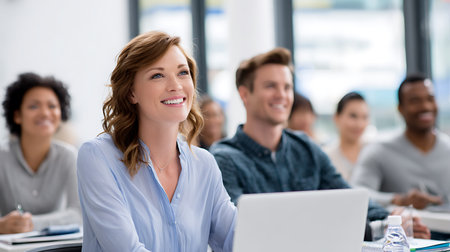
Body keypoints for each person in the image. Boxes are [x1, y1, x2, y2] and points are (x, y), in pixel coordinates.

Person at [210, 48, 430, 240]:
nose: (282, 95)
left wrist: (392, 219)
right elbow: (242, 230)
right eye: (270, 86)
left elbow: (349, 198)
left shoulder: (306, 148)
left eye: (287, 87)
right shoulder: (224, 158)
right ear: (245, 94)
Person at [77, 31, 236, 251]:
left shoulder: (204, 164)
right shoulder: (98, 157)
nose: (176, 86)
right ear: (132, 92)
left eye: (183, 73)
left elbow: (237, 239)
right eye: (157, 76)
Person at [351, 74, 448, 210]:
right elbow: (357, 195)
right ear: (400, 109)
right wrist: (399, 200)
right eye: (415, 101)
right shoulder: (379, 151)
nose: (425, 106)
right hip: (406, 229)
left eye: (430, 99)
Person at [0, 73, 80, 234]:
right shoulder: (2, 156)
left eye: (52, 106)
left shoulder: (69, 156)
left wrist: (30, 224)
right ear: (17, 115)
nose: (45, 113)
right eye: (34, 106)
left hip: (54, 245)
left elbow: (78, 215)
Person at [323, 92, 370, 181]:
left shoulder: (374, 151)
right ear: (336, 117)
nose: (359, 124)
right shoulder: (326, 157)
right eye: (353, 116)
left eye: (365, 117)